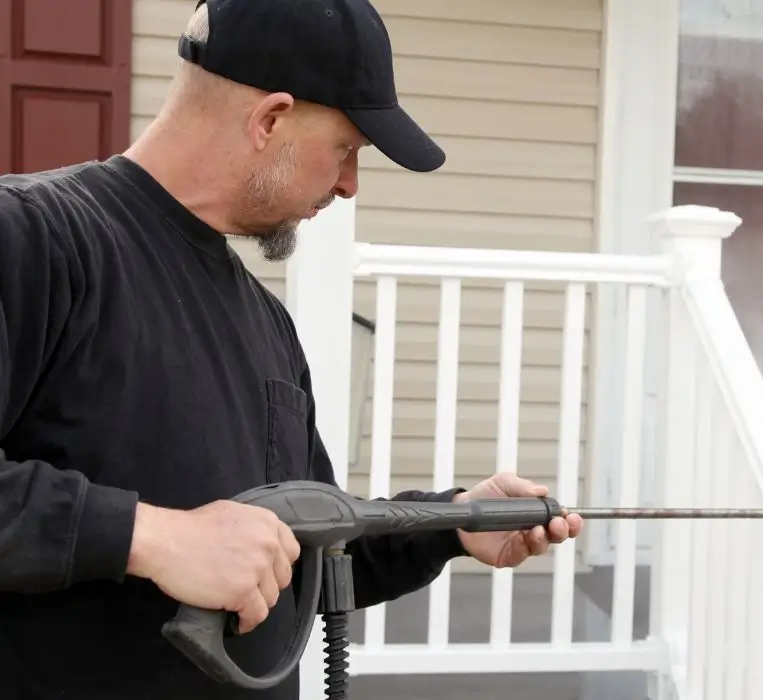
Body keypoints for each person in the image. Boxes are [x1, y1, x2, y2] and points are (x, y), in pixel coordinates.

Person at [0, 0, 584, 697]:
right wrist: (150, 538)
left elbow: (304, 548)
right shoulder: (33, 238)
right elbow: (180, 542)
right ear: (270, 119)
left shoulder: (265, 322)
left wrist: (453, 524)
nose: (349, 184)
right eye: (345, 149)